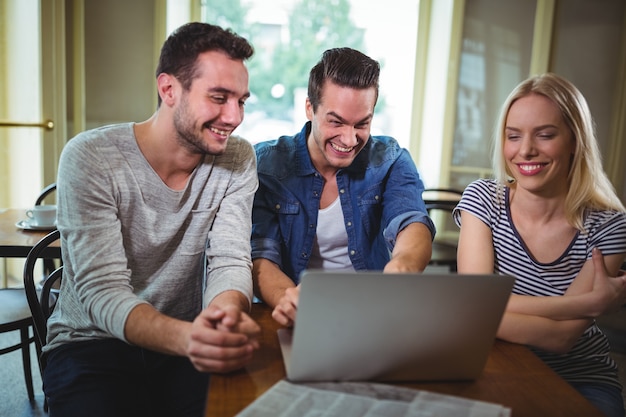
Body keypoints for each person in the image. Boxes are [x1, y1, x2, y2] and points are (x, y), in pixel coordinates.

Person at [45, 22, 260, 417]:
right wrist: (189, 338)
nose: (234, 117)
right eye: (219, 97)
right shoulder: (91, 157)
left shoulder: (237, 158)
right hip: (92, 343)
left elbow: (229, 260)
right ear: (169, 90)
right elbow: (101, 293)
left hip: (188, 337)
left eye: (242, 100)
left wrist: (224, 315)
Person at [453, 73, 626, 417]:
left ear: (575, 140)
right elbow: (474, 307)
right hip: (493, 363)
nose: (525, 150)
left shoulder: (611, 226)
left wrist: (480, 313)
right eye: (513, 136)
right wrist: (589, 303)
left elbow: (559, 339)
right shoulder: (483, 200)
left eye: (545, 135)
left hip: (580, 378)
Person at [251, 47, 435, 327]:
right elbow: (261, 255)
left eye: (362, 124)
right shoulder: (266, 165)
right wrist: (286, 298)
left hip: (370, 312)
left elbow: (411, 221)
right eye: (336, 122)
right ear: (310, 108)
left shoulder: (391, 159)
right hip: (294, 315)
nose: (349, 140)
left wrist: (403, 266)